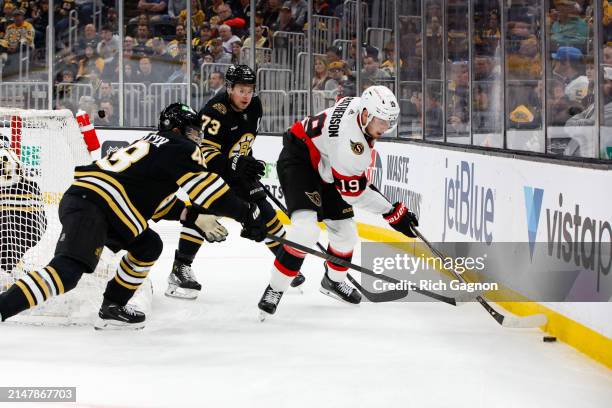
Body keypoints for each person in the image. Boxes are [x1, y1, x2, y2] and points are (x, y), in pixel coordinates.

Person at [0, 103, 267, 328]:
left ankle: (113, 305)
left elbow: (152, 202)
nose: (196, 137)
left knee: (148, 245)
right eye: (192, 131)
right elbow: (210, 192)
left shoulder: (151, 144)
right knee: (66, 273)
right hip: (97, 205)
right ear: (176, 129)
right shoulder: (181, 147)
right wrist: (247, 214)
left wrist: (192, 216)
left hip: (97, 202)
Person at [257, 86, 419, 318]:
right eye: (381, 121)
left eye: (389, 122)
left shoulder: (358, 105)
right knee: (305, 231)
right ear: (365, 114)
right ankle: (275, 288)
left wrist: (390, 209)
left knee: (346, 235)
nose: (385, 128)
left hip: (329, 165)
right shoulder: (352, 147)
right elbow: (353, 194)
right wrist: (390, 212)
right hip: (301, 159)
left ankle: (333, 281)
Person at [165, 65, 303, 299]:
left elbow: (243, 142)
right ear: (229, 88)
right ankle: (180, 267)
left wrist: (247, 162)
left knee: (265, 210)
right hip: (210, 172)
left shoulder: (256, 106)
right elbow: (206, 153)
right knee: (202, 213)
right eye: (241, 90)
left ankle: (283, 262)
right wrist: (237, 165)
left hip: (235, 170)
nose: (246, 95)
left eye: (250, 90)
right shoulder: (214, 111)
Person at [0, 140, 47, 276]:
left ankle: (7, 265)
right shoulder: (13, 156)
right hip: (31, 226)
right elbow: (43, 224)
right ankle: (13, 263)